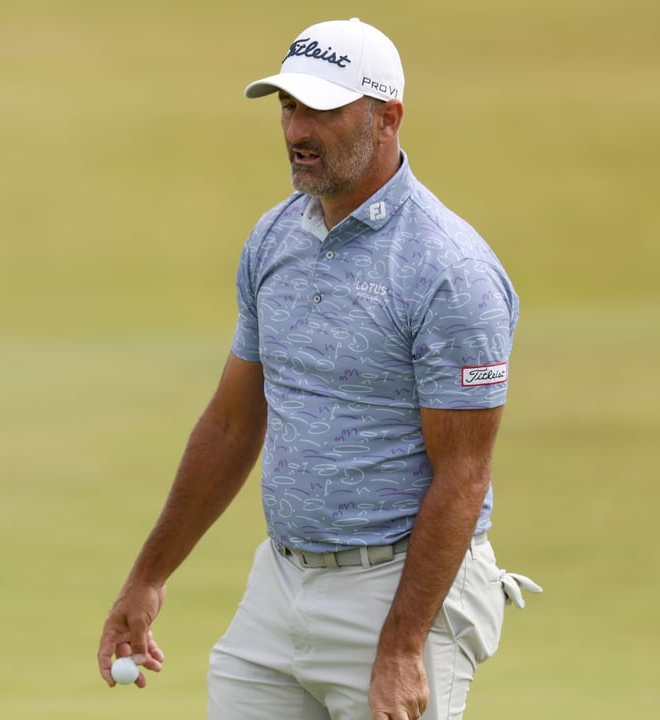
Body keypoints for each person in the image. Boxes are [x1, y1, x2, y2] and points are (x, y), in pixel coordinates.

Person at [96, 17, 541, 720]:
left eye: (323, 111)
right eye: (287, 106)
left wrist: (400, 648)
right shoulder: (276, 237)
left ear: (387, 116)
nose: (297, 130)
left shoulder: (449, 271)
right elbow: (232, 422)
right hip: (281, 584)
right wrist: (148, 577)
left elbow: (464, 475)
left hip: (402, 596)